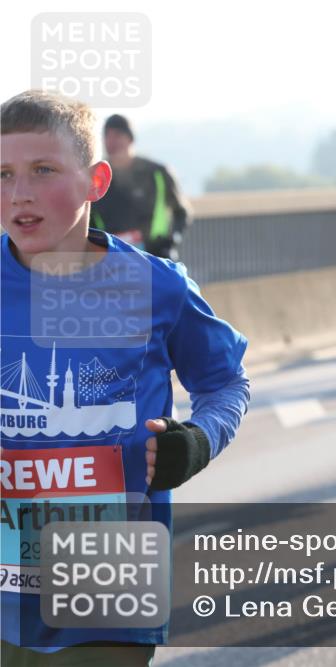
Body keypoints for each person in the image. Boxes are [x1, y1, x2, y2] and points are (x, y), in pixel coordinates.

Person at [1, 90, 249, 664]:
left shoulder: (158, 287)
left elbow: (226, 382)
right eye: (4, 173)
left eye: (43, 170)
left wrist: (198, 440)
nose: (20, 194)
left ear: (97, 181)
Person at [91, 114, 191, 260]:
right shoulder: (96, 176)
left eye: (118, 135)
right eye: (107, 135)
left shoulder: (157, 173)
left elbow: (182, 212)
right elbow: (88, 218)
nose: (111, 141)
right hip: (112, 260)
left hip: (155, 258)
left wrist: (171, 241)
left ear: (130, 138)